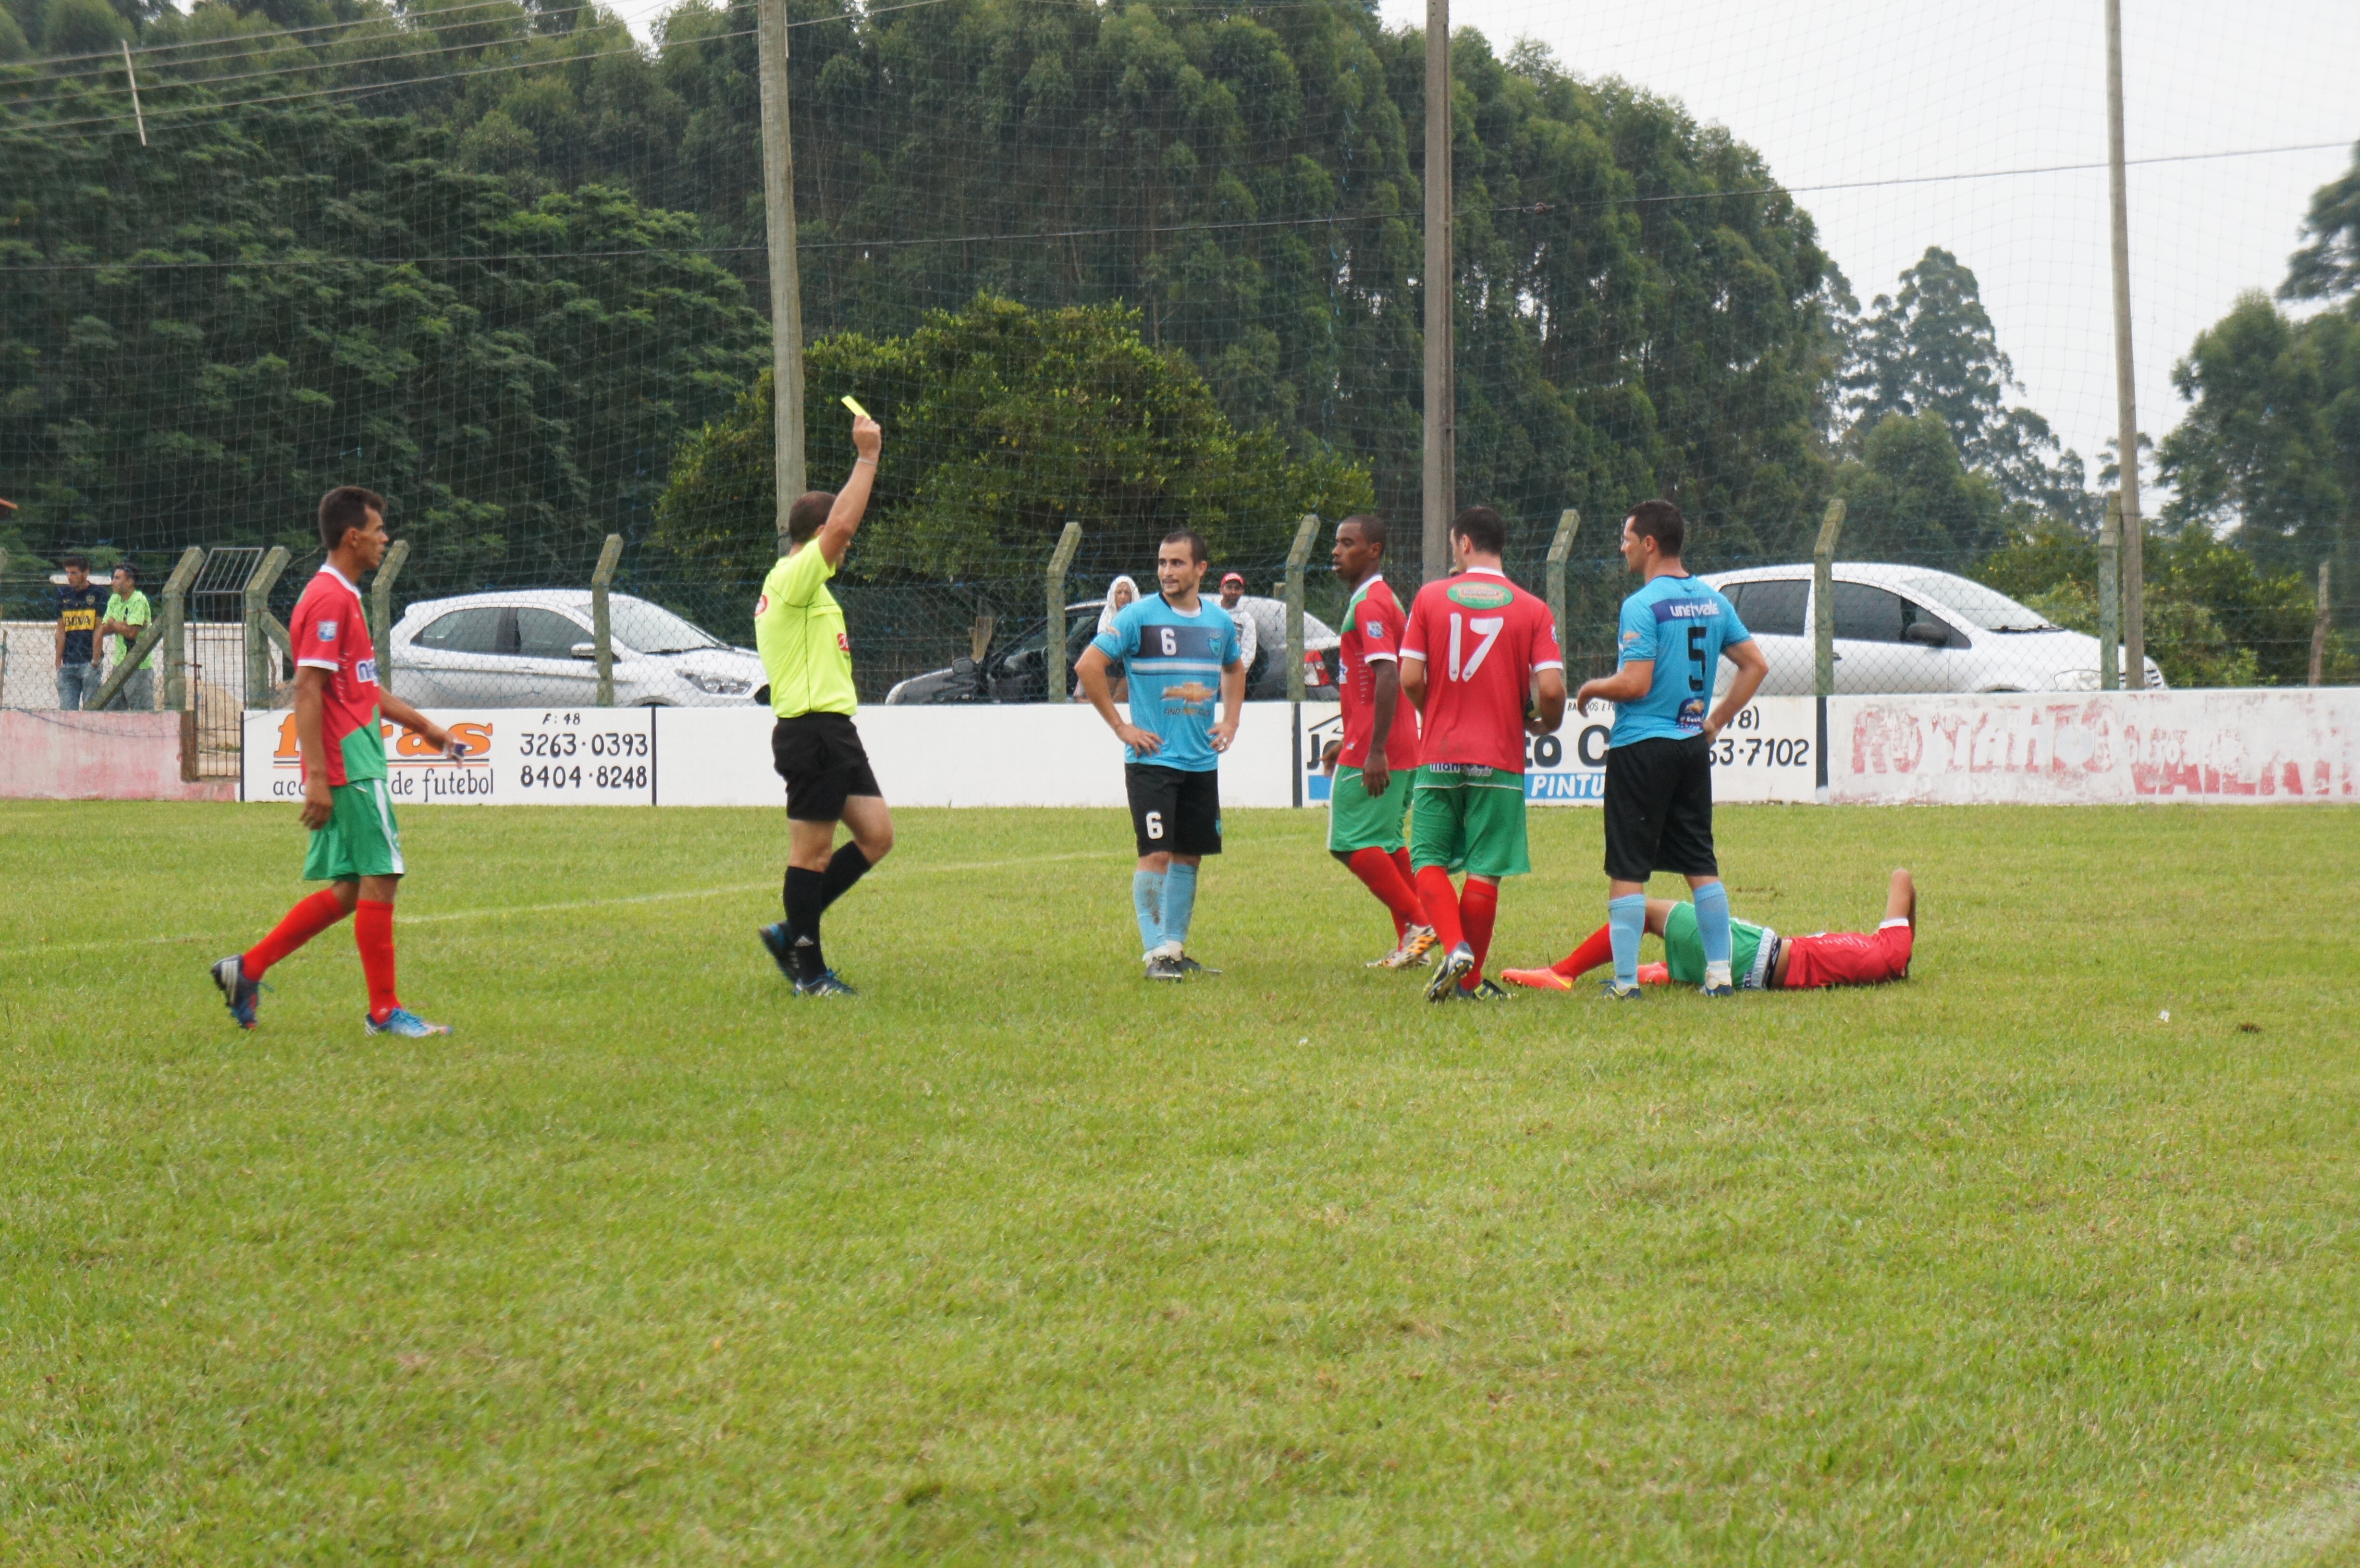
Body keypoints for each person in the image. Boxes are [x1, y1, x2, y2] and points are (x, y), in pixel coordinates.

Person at [211, 487, 467, 1036]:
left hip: (356, 754)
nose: (384, 539)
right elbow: (308, 688)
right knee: (383, 875)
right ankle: (384, 1012)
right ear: (353, 536)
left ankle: (246, 969)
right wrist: (318, 778)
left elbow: (361, 689)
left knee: (353, 888)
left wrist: (425, 728)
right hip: (350, 761)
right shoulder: (329, 599)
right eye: (378, 530)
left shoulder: (342, 595)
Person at [1573, 500, 1769, 1001]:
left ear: (1650, 544)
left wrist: (1594, 687)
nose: (1622, 547)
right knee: (1700, 862)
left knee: (1628, 866)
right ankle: (1720, 975)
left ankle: (1623, 984)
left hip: (1642, 747)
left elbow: (1636, 684)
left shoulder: (1641, 605)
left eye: (1626, 538)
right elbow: (1755, 665)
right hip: (1689, 748)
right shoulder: (1712, 600)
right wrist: (1715, 722)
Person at [1399, 506, 1566, 1002]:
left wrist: (1433, 709)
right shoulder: (1532, 608)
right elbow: (1553, 689)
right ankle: (1469, 983)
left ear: (1464, 544)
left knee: (1427, 858)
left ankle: (1454, 949)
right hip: (1499, 756)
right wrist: (1545, 723)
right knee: (1485, 868)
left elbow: (1410, 678)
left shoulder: (1430, 598)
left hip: (1440, 752)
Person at [756, 409, 893, 999]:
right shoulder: (792, 578)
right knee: (809, 854)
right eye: (839, 542)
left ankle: (792, 930)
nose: (846, 550)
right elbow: (838, 529)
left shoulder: (809, 590)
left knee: (877, 836)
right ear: (814, 539)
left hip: (834, 732)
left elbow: (835, 533)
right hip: (811, 733)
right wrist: (867, 458)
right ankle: (810, 974)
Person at [1077, 530, 1246, 981]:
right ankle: (1154, 956)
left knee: (1189, 857)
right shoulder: (1136, 618)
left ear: (1200, 569)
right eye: (1162, 563)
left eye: (1177, 563)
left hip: (1201, 762)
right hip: (1152, 763)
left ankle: (1174, 949)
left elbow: (1234, 667)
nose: (1167, 572)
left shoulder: (1219, 623)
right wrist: (1122, 727)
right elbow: (1088, 667)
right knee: (1156, 854)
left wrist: (1230, 721)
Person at [1503, 868, 1917, 992]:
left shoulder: (1890, 950)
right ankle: (1661, 971)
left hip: (1756, 951)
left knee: (1644, 911)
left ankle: (1562, 973)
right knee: (1691, 947)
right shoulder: (1885, 958)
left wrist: (1907, 937)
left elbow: (1902, 878)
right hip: (1761, 967)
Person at [1324, 514, 1433, 968]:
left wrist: (1375, 749)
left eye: (1348, 543)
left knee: (1349, 842)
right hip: (1398, 738)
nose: (1337, 551)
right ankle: (1414, 942)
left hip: (1380, 742)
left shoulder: (1371, 602)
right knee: (1387, 842)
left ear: (1374, 551)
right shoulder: (1381, 599)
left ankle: (1423, 923)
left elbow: (1388, 675)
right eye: (1336, 542)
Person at [97, 564, 155, 710]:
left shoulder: (138, 600)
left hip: (138, 665)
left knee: (141, 712)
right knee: (112, 711)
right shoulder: (115, 599)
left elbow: (132, 633)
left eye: (117, 578)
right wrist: (121, 626)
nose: (113, 582)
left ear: (130, 582)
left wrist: (114, 624)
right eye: (113, 578)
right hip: (119, 663)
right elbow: (103, 629)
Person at [54, 553, 106, 711]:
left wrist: (95, 661)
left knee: (91, 711)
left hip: (89, 662)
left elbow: (99, 628)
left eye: (74, 573)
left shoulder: (99, 593)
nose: (70, 577)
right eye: (68, 573)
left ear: (86, 573)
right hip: (68, 663)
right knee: (68, 712)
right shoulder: (63, 594)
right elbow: (61, 630)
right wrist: (58, 664)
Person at [1097, 574, 1139, 701]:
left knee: (1120, 699)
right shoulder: (1107, 616)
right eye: (1119, 592)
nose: (1123, 597)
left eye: (1127, 593)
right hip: (1110, 666)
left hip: (1130, 668)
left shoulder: (1138, 616)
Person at [1216, 570, 1260, 683]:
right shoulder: (1212, 613)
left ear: (1242, 592)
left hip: (1232, 675)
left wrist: (1235, 675)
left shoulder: (1246, 619)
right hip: (1211, 673)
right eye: (1229, 587)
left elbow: (1249, 651)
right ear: (1221, 590)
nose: (1233, 592)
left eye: (1237, 588)